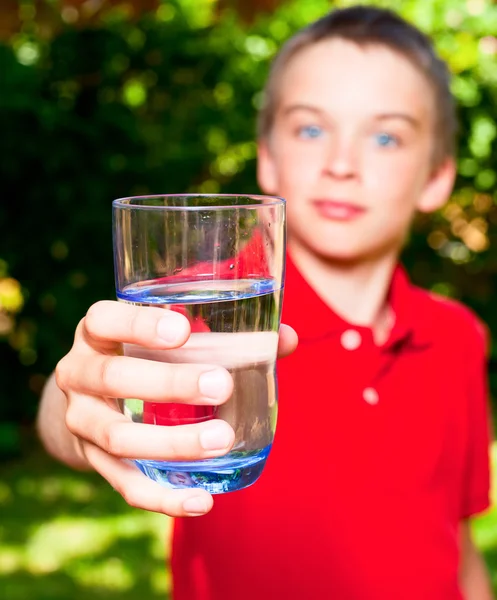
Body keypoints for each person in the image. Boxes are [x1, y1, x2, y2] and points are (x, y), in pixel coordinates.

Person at [37, 5, 494, 599]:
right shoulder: (201, 307)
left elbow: (455, 546)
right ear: (268, 158)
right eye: (311, 128)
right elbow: (81, 406)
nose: (341, 164)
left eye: (385, 136)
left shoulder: (457, 336)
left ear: (436, 177)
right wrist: (79, 402)